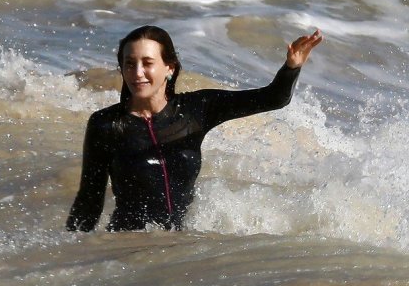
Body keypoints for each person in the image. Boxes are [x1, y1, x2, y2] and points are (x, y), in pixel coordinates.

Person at [66, 25, 323, 232]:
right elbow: (89, 200)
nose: (138, 73)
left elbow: (273, 98)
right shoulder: (106, 124)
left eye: (147, 63)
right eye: (129, 64)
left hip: (182, 251)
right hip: (128, 248)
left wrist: (292, 67)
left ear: (170, 67)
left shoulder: (196, 109)